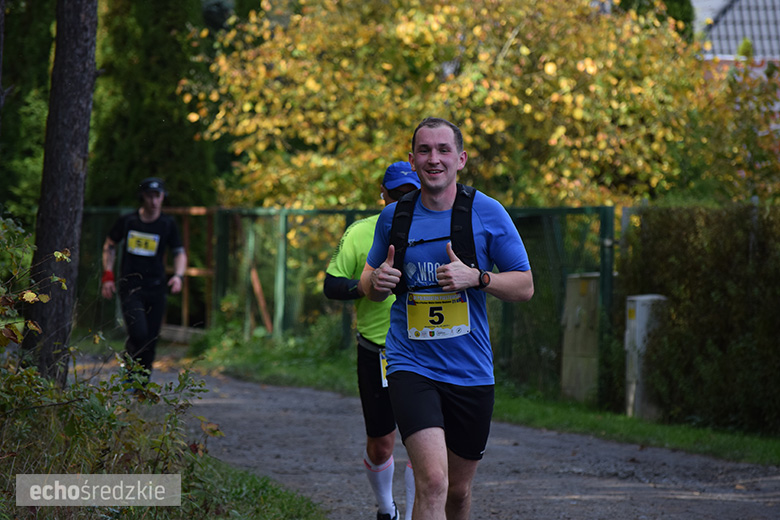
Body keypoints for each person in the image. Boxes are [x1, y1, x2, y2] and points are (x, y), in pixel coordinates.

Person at [360, 117, 534, 520]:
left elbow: (525, 286)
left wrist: (478, 278)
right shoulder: (394, 217)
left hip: (470, 370)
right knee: (434, 482)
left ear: (461, 159)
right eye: (424, 150)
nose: (433, 159)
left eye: (443, 150)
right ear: (412, 160)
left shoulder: (487, 213)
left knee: (457, 491)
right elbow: (369, 280)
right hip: (410, 364)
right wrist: (376, 281)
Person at [324, 161, 420, 520]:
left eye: (410, 195)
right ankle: (386, 508)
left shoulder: (437, 230)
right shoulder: (362, 232)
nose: (402, 202)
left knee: (422, 443)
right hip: (377, 351)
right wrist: (365, 285)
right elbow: (331, 284)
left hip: (424, 350)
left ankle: (412, 515)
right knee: (381, 444)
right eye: (396, 195)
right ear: (383, 194)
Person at [100, 177, 187, 382]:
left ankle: (142, 384)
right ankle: (130, 374)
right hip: (131, 287)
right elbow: (110, 244)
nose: (154, 201)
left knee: (150, 339)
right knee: (138, 332)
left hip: (156, 288)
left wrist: (178, 276)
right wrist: (108, 275)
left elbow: (179, 252)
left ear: (163, 197)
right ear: (142, 197)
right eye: (149, 196)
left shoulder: (167, 224)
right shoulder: (128, 221)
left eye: (158, 196)